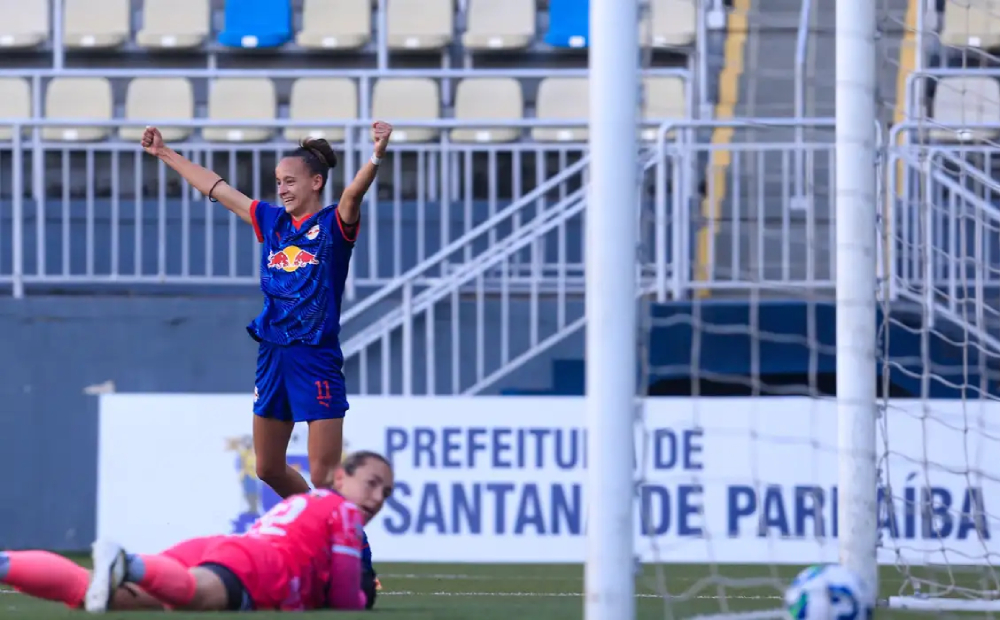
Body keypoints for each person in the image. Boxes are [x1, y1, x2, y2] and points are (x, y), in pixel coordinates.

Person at [140, 122, 392, 576]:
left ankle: (355, 559)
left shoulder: (333, 226)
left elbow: (354, 195)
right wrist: (165, 154)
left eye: (290, 181)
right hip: (272, 356)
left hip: (315, 358)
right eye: (278, 181)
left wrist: (376, 154)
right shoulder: (272, 222)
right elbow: (219, 189)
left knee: (323, 477)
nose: (282, 188)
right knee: (269, 467)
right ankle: (323, 529)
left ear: (316, 182)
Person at [0, 451, 392, 613]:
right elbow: (345, 600)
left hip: (228, 548)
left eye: (386, 493)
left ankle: (5, 564)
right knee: (197, 594)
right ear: (340, 478)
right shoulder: (344, 511)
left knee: (94, 592)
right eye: (371, 484)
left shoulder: (306, 502)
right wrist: (361, 594)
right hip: (260, 566)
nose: (376, 498)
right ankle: (128, 563)